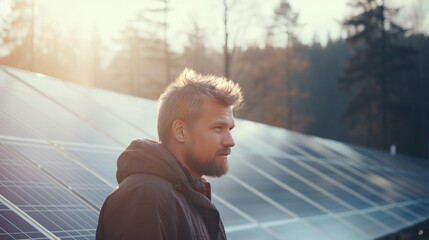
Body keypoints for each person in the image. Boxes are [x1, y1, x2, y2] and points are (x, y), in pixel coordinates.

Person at [96, 68, 243, 240]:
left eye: (230, 129)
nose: (230, 141)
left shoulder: (191, 198)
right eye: (218, 128)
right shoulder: (145, 198)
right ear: (180, 131)